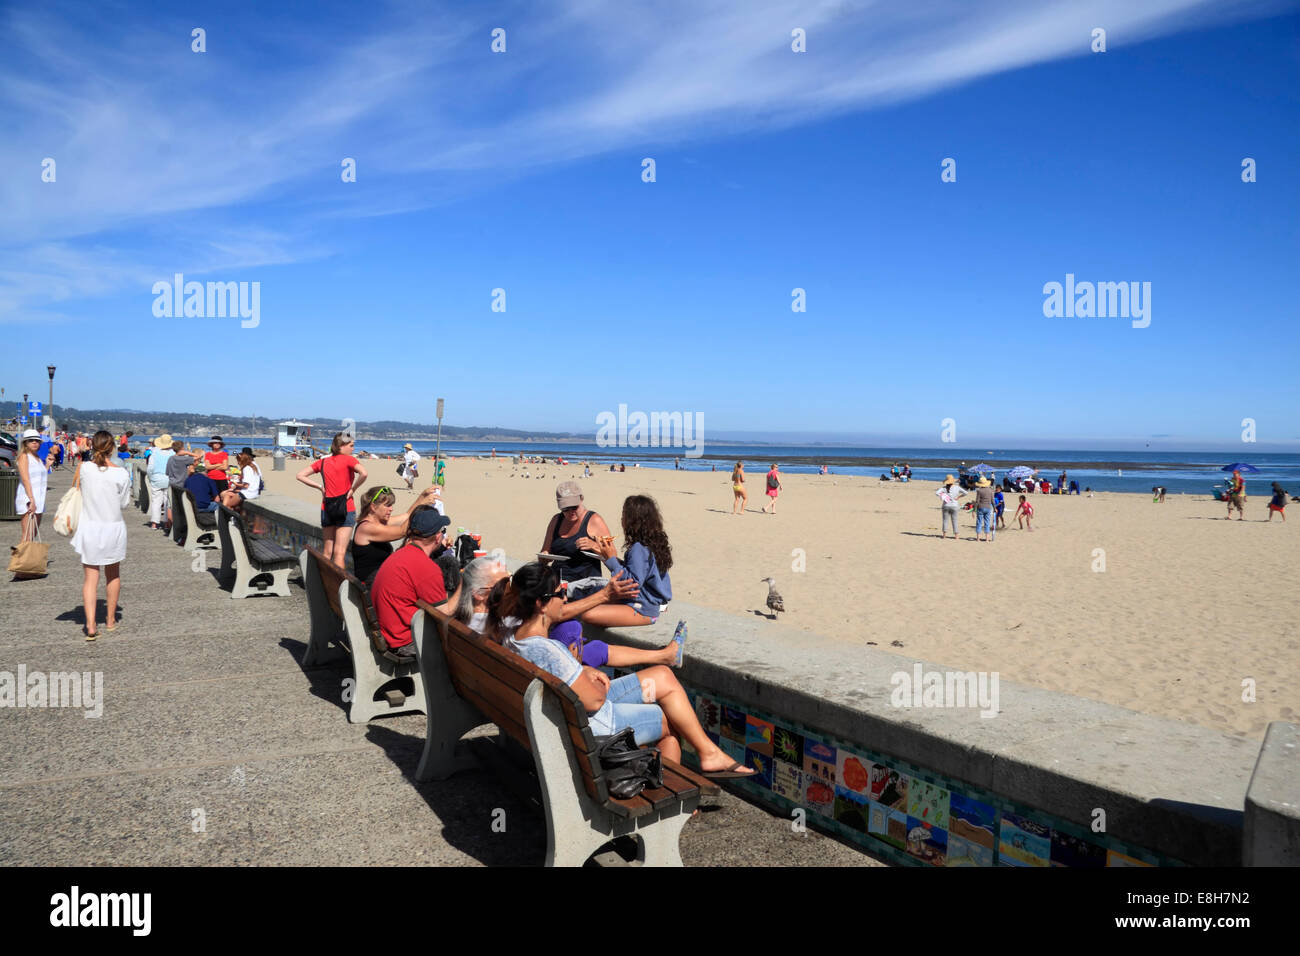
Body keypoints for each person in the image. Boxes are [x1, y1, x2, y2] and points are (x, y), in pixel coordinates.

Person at [489, 563, 754, 777]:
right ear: (540, 604)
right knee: (669, 722)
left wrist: (584, 672)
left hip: (562, 717)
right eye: (560, 593)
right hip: (592, 728)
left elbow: (567, 681)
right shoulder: (550, 651)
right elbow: (594, 700)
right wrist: (592, 682)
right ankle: (668, 803)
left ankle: (708, 752)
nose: (564, 598)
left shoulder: (513, 636)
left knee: (662, 676)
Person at [575, 494, 674, 628]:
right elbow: (638, 572)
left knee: (587, 614)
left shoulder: (638, 548)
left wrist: (611, 559)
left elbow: (630, 584)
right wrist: (605, 555)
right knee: (587, 601)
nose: (621, 519)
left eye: (624, 515)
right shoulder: (653, 543)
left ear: (633, 521)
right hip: (649, 602)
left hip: (642, 608)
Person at [72, 431, 132, 640]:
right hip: (113, 528)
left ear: (93, 446)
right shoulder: (122, 473)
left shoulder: (85, 468)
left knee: (90, 578)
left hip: (90, 527)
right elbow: (124, 503)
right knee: (113, 575)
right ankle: (109, 620)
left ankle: (90, 625)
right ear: (113, 447)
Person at [370, 508, 451, 660]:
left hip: (385, 633)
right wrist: (465, 588)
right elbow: (444, 615)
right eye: (443, 530)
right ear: (438, 537)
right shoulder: (425, 567)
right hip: (403, 643)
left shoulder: (400, 554)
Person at [297, 433, 367, 567]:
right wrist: (353, 489)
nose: (353, 449)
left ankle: (323, 584)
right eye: (351, 446)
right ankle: (337, 587)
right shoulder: (349, 460)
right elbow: (364, 473)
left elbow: (300, 475)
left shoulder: (323, 461)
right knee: (339, 553)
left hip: (327, 507)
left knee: (327, 551)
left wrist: (319, 487)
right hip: (346, 507)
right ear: (341, 446)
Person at [349, 484, 440, 586]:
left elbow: (406, 516)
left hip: (379, 579)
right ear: (373, 507)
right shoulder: (367, 528)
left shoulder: (377, 523)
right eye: (387, 505)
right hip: (371, 584)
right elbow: (402, 531)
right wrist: (421, 506)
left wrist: (422, 496)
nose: (391, 509)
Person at [540, 481, 612, 587]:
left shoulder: (594, 520)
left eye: (574, 507)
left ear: (581, 499)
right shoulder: (556, 520)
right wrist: (544, 557)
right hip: (558, 582)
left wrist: (593, 545)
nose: (571, 512)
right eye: (565, 509)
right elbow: (544, 555)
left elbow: (612, 556)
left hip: (584, 584)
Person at [15, 428, 55, 540]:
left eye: (37, 440)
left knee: (32, 534)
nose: (34, 442)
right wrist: (31, 500)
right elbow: (26, 479)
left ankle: (27, 557)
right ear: (25, 443)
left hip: (38, 498)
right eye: (31, 440)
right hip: (28, 498)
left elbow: (40, 478)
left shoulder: (36, 457)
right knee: (27, 535)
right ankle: (21, 557)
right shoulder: (24, 456)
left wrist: (47, 465)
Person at [145, 434, 175, 529]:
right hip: (169, 479)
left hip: (156, 479)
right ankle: (167, 522)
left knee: (156, 502)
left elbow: (150, 468)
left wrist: (150, 477)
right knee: (167, 502)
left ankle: (154, 523)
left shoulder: (155, 453)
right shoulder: (173, 454)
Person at [936, 475, 965, 540]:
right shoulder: (957, 487)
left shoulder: (944, 488)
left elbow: (937, 493)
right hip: (955, 506)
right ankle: (956, 536)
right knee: (954, 521)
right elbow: (965, 493)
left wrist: (943, 496)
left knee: (945, 521)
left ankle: (944, 535)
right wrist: (958, 497)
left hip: (946, 505)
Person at [973, 477, 995, 542]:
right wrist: (995, 508)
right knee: (987, 523)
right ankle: (987, 539)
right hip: (988, 507)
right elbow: (992, 500)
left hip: (980, 507)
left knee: (979, 522)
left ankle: (978, 538)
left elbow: (977, 501)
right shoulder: (990, 490)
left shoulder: (979, 491)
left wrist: (974, 510)